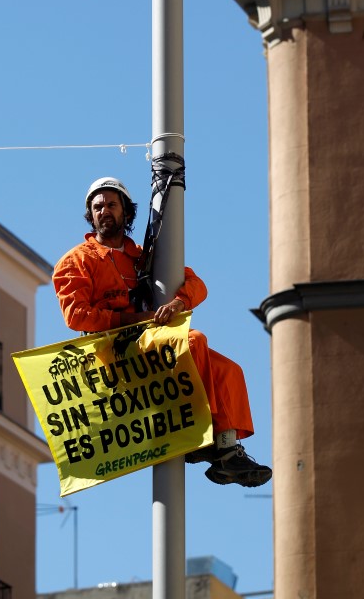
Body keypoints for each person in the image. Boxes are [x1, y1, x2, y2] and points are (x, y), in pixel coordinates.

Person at [52, 176, 272, 488]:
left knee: (228, 370)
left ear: (126, 212)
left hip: (150, 341)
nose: (104, 211)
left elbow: (197, 284)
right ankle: (195, 433)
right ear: (90, 215)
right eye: (97, 206)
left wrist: (180, 303)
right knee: (193, 341)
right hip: (115, 351)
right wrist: (136, 317)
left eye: (111, 205)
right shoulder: (75, 261)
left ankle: (227, 451)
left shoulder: (143, 256)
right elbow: (76, 315)